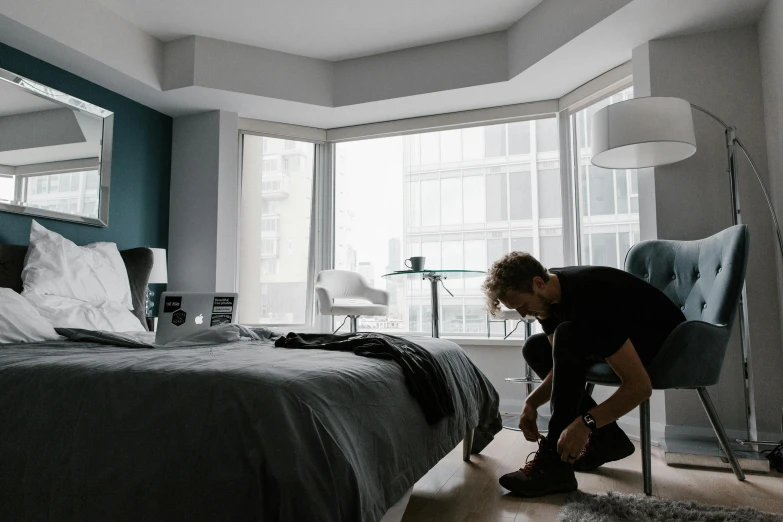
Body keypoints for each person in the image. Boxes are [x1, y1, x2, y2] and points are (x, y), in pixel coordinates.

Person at [482, 252, 685, 497]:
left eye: (523, 305)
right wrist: (531, 402)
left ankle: (555, 467)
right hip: (621, 336)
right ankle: (608, 439)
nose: (523, 314)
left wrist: (586, 423)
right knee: (536, 348)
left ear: (538, 283)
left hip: (667, 345)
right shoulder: (548, 304)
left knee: (567, 335)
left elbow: (640, 387)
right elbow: (560, 365)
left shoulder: (590, 299)